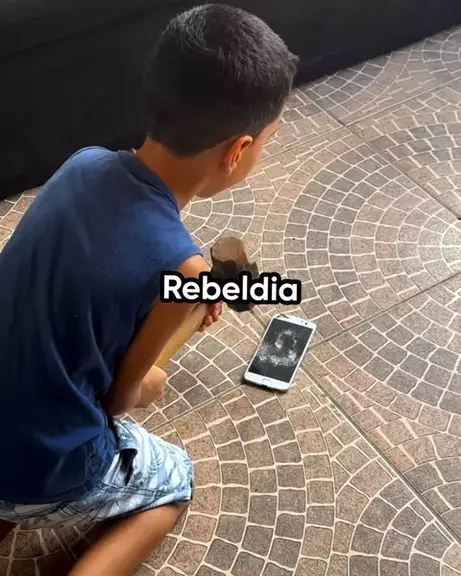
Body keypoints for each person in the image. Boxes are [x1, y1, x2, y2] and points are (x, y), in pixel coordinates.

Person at [0, 4, 298, 575]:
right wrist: (156, 370)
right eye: (267, 141)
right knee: (176, 481)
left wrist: (179, 311)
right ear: (237, 150)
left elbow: (81, 286)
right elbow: (120, 399)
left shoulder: (81, 164)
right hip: (43, 465)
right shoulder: (185, 272)